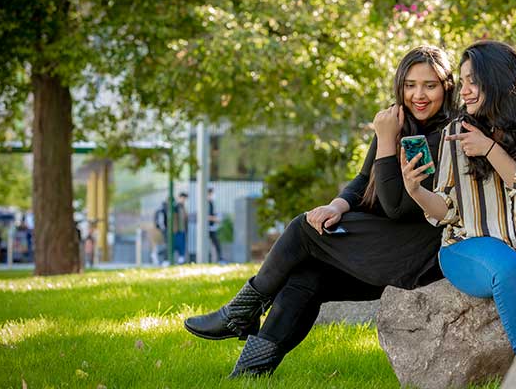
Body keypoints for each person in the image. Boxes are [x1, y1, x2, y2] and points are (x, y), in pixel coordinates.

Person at [184, 45, 457, 377]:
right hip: (383, 246)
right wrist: (336, 205)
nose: (419, 94)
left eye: (430, 85)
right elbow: (363, 180)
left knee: (303, 229)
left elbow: (398, 208)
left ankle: (238, 313)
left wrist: (387, 141)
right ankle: (250, 373)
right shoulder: (395, 120)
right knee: (306, 277)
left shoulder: (446, 137)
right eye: (410, 84)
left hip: (418, 253)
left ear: (447, 86)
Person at [401, 40, 516, 353]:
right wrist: (416, 190)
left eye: (473, 82)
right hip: (469, 246)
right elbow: (446, 210)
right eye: (462, 82)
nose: (464, 91)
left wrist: (490, 149)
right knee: (508, 268)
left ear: (499, 80)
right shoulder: (457, 131)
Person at [207, 188, 225, 263]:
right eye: (211, 194)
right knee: (215, 243)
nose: (213, 195)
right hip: (207, 228)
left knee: (216, 243)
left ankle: (220, 259)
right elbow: (204, 216)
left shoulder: (211, 203)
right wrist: (215, 219)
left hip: (212, 228)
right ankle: (219, 259)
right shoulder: (205, 203)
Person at [173, 192, 188, 264]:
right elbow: (174, 219)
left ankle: (181, 259)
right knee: (177, 245)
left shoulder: (183, 206)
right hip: (177, 230)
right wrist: (175, 229)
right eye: (183, 198)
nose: (184, 200)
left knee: (182, 245)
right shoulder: (176, 207)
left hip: (182, 230)